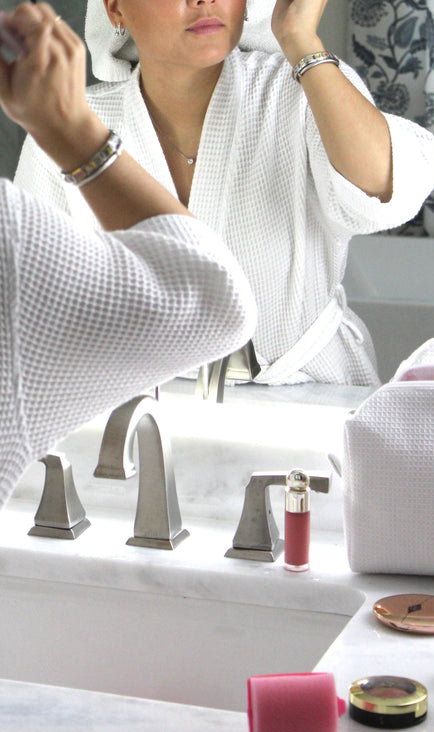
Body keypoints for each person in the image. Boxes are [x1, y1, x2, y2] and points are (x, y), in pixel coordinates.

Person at [14, 0, 434, 386]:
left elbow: (383, 192)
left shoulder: (303, 88)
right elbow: (34, 303)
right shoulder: (73, 129)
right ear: (115, 9)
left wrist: (300, 40)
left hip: (313, 394)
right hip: (148, 405)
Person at [0, 2, 257, 510]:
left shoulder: (288, 95)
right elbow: (214, 302)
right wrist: (71, 130)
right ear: (115, 9)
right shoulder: (16, 225)